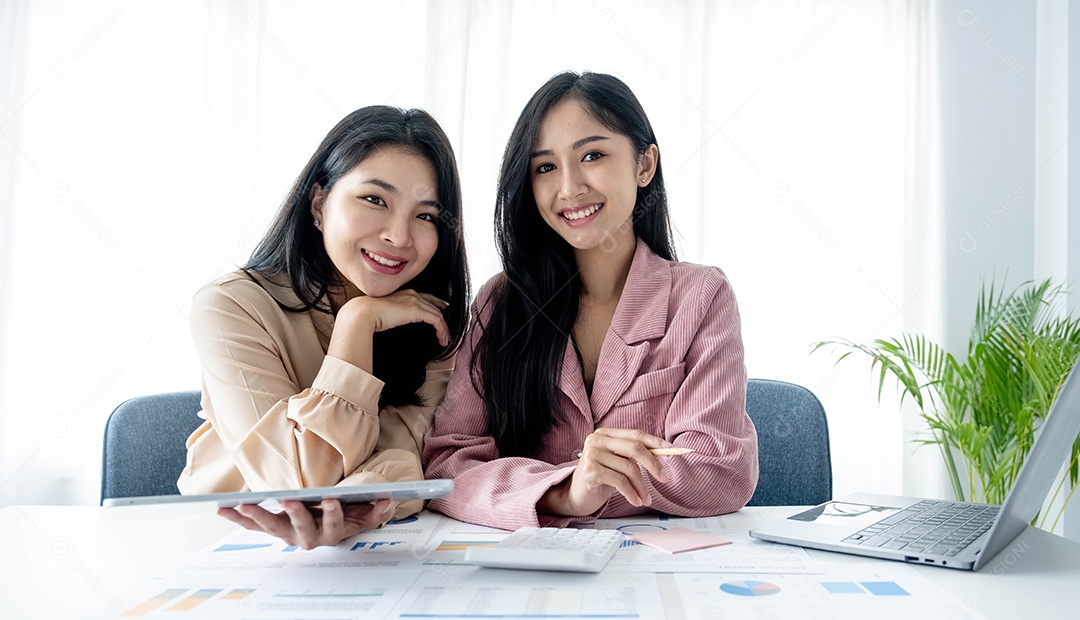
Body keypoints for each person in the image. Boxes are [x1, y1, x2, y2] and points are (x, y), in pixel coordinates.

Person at [423, 72, 758, 530]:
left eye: (593, 155)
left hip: (653, 572)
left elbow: (721, 471)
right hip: (526, 571)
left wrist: (597, 485)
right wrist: (565, 492)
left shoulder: (700, 298)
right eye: (545, 167)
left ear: (645, 165)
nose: (569, 187)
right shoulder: (500, 302)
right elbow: (447, 464)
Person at [178, 106, 470, 548]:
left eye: (425, 215)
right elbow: (299, 479)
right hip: (224, 547)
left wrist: (357, 500)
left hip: (377, 546)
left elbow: (419, 463)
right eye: (375, 200)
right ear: (319, 203)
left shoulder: (427, 320)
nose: (399, 236)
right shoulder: (230, 306)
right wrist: (358, 322)